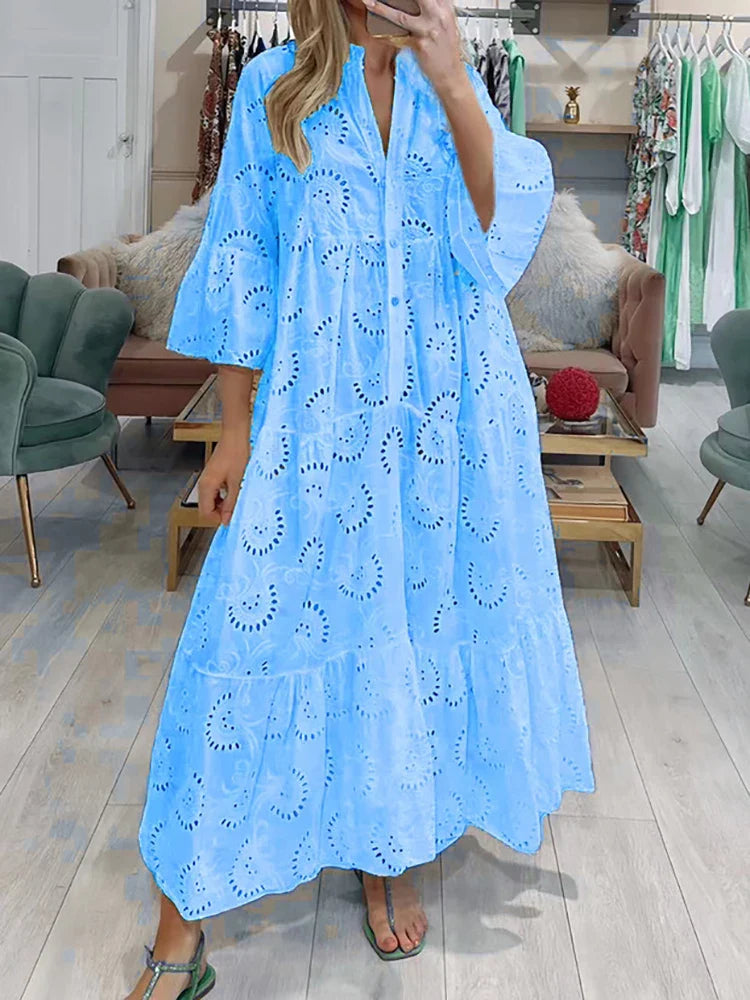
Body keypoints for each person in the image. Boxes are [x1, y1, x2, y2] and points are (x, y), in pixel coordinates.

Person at [128, 0, 594, 994]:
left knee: (417, 627)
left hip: (447, 422)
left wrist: (455, 78)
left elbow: (499, 235)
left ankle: (391, 852)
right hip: (317, 418)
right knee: (242, 638)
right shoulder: (273, 89)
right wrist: (236, 431)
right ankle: (178, 931)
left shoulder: (450, 84)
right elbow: (246, 263)